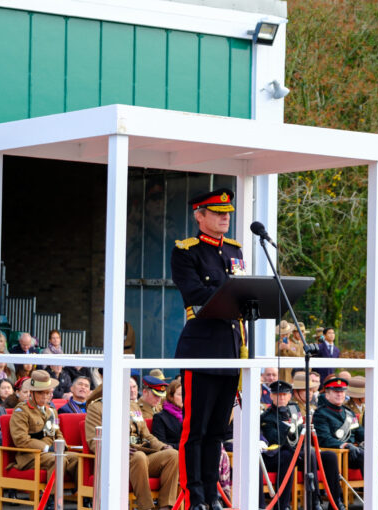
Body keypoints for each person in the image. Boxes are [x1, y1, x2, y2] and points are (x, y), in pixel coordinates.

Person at [170, 188, 246, 510]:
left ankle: (212, 495)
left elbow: (244, 292)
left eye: (227, 212)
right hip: (201, 350)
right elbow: (195, 293)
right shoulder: (186, 252)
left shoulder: (234, 250)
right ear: (199, 216)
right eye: (216, 212)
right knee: (195, 430)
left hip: (231, 349)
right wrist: (230, 292)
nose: (224, 216)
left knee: (217, 431)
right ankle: (194, 496)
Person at [86, 385, 178, 510]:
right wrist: (118, 450)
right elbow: (94, 441)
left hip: (141, 454)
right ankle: (146, 506)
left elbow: (147, 435)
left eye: (133, 387)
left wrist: (163, 446)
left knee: (173, 455)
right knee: (139, 456)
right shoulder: (96, 408)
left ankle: (166, 506)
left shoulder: (133, 406)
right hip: (116, 461)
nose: (130, 390)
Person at [262, 380, 345, 510]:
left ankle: (336, 501)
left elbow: (302, 433)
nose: (282, 398)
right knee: (299, 454)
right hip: (280, 454)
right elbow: (274, 440)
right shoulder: (267, 417)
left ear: (289, 396)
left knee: (330, 456)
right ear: (272, 396)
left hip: (300, 453)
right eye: (278, 395)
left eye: (284, 394)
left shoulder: (294, 410)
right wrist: (285, 423)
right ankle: (288, 504)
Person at [9, 370, 78, 485]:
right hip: (30, 455)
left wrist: (62, 445)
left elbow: (57, 432)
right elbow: (21, 439)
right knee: (58, 459)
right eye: (41, 393)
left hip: (51, 452)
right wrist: (46, 448)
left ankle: (82, 496)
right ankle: (52, 498)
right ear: (32, 393)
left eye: (48, 393)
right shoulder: (21, 411)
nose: (45, 397)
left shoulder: (51, 411)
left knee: (77, 458)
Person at [313, 377, 365, 476]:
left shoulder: (349, 412)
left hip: (354, 452)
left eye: (342, 391)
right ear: (327, 395)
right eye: (335, 391)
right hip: (338, 454)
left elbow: (360, 432)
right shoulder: (321, 414)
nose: (339, 394)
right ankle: (374, 490)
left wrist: (373, 441)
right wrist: (344, 445)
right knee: (364, 455)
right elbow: (324, 439)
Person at [152, 379, 183, 449]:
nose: (184, 397)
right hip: (175, 455)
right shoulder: (160, 417)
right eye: (180, 394)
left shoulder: (191, 415)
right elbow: (162, 445)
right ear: (171, 396)